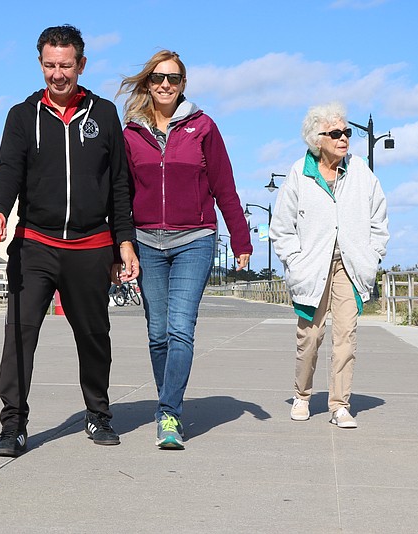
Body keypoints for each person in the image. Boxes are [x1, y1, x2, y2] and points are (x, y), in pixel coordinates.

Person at [0, 25, 139, 457]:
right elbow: (8, 170)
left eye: (66, 65)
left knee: (94, 335)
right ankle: (13, 426)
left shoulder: (104, 114)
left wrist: (123, 243)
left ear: (82, 65)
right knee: (20, 334)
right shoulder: (22, 115)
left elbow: (120, 187)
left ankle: (98, 414)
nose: (58, 74)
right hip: (35, 243)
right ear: (41, 65)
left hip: (92, 246)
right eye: (50, 65)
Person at [118, 50, 252, 449]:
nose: (165, 85)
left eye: (173, 79)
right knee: (157, 332)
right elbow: (120, 194)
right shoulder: (130, 133)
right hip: (145, 240)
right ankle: (169, 403)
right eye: (158, 78)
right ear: (148, 82)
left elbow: (225, 186)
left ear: (183, 85)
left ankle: (169, 414)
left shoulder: (203, 127)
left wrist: (241, 239)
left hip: (194, 238)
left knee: (180, 329)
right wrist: (118, 245)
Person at [269, 102, 389, 429]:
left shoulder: (360, 171)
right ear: (316, 139)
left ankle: (339, 405)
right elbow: (281, 227)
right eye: (335, 133)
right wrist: (294, 262)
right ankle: (302, 395)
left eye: (347, 132)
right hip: (312, 268)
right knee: (310, 336)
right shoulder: (299, 172)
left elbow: (379, 217)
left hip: (349, 267)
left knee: (346, 336)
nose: (344, 138)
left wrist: (373, 252)